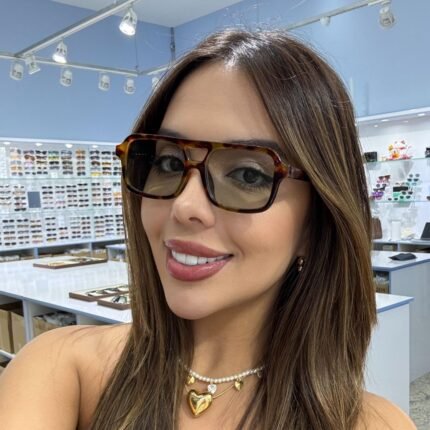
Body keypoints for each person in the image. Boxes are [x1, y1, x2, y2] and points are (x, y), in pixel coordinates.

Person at [0, 29, 417, 430]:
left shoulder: (373, 424)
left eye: (248, 175)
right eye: (168, 163)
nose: (184, 206)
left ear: (316, 220)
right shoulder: (61, 368)